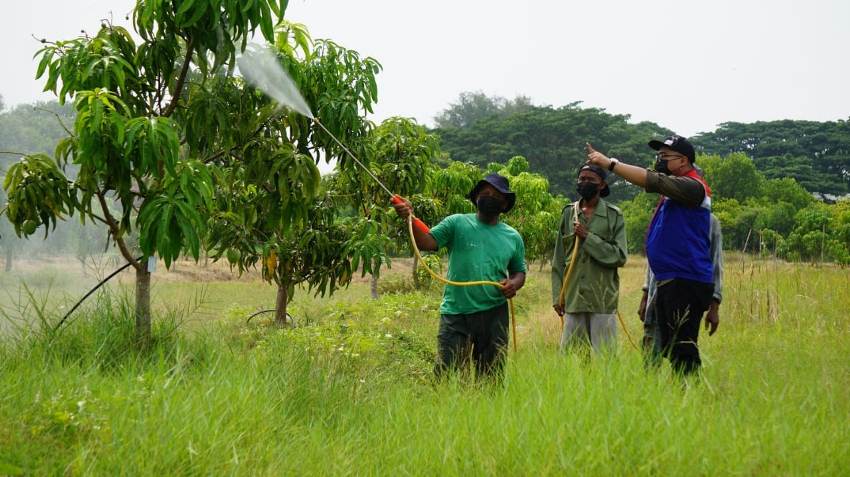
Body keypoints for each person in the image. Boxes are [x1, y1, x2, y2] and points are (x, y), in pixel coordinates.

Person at [586, 135, 714, 375]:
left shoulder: (692, 187)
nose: (660, 161)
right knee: (672, 345)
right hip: (670, 278)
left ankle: (691, 394)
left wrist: (609, 163)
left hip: (686, 277)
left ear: (684, 161)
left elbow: (651, 180)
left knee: (683, 347)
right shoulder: (673, 194)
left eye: (665, 157)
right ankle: (681, 393)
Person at [393, 173, 527, 379]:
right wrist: (409, 217)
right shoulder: (457, 223)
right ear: (476, 198)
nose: (489, 197)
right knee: (448, 375)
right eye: (485, 193)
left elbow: (519, 272)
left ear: (505, 204)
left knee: (491, 377)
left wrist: (513, 284)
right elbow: (426, 242)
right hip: (456, 312)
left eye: (496, 195)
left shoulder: (513, 237)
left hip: (494, 313)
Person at [551, 164, 628, 353]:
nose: (584, 182)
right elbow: (559, 259)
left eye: (590, 180)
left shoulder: (613, 215)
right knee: (571, 361)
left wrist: (588, 238)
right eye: (581, 179)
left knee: (605, 360)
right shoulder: (569, 213)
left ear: (601, 185)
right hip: (573, 298)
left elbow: (620, 256)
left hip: (602, 299)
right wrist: (557, 296)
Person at [640, 212, 723, 363]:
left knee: (683, 349)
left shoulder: (710, 221)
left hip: (687, 297)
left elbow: (715, 263)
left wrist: (714, 306)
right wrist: (645, 294)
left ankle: (684, 385)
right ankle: (651, 385)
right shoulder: (664, 215)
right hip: (657, 293)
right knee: (651, 350)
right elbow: (654, 257)